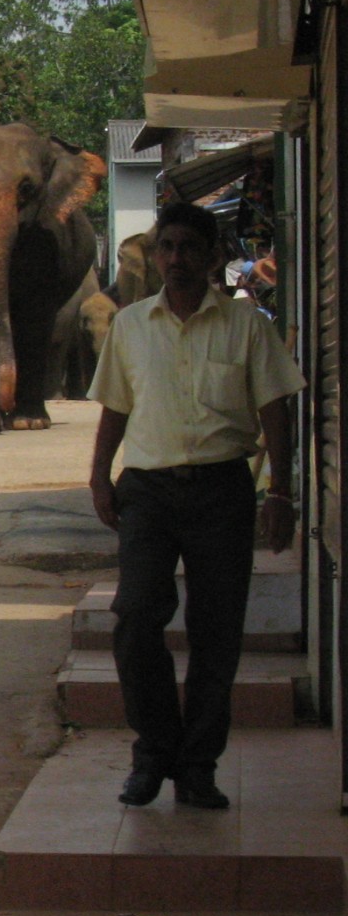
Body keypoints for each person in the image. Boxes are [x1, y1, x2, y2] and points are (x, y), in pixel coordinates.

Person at [88, 202, 304, 809]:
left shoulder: (247, 327)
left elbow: (275, 412)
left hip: (222, 491)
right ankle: (153, 753)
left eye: (188, 247)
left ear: (212, 257)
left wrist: (281, 492)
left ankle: (198, 766)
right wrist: (100, 479)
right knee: (135, 621)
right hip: (149, 493)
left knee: (217, 632)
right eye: (167, 247)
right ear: (154, 257)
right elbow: (114, 409)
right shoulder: (131, 325)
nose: (176, 259)